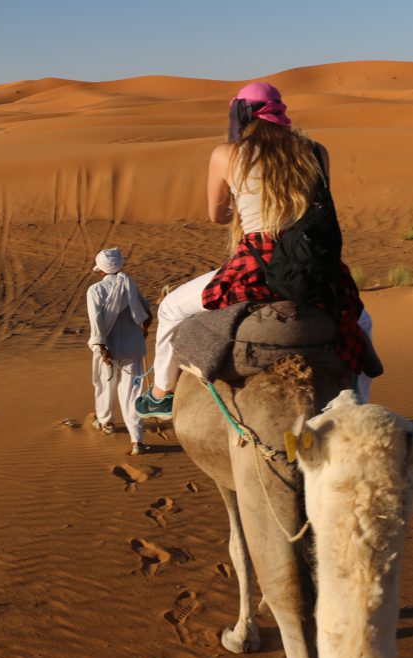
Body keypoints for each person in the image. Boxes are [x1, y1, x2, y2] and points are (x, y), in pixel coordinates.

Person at [135, 82, 374, 419]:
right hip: (312, 266)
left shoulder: (227, 154)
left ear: (240, 115)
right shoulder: (316, 152)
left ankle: (161, 394)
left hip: (256, 264)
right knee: (362, 322)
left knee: (171, 308)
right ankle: (358, 403)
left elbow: (217, 215)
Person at [87, 247, 153, 455]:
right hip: (132, 347)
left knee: (104, 386)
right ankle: (137, 441)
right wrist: (143, 332)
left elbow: (96, 323)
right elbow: (146, 314)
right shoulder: (129, 284)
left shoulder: (95, 290)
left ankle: (106, 423)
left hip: (108, 348)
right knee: (132, 393)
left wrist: (101, 348)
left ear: (101, 270)